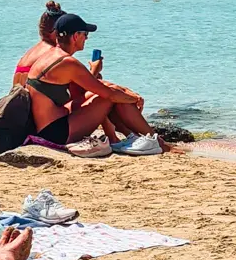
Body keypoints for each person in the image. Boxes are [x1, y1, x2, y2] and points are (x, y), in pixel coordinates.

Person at [24, 13, 157, 154]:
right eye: (85, 34)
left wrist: (117, 87)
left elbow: (85, 90)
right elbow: (108, 94)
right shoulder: (67, 63)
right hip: (55, 133)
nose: (87, 38)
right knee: (108, 97)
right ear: (75, 36)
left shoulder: (51, 56)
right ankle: (155, 140)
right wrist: (134, 99)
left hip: (47, 125)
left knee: (107, 92)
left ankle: (133, 136)